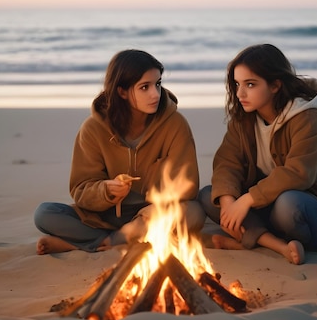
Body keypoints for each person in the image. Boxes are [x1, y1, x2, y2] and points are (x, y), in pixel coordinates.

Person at [198, 44, 317, 265]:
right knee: (210, 195)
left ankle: (251, 240)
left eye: (250, 84)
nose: (240, 93)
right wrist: (228, 204)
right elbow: (227, 162)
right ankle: (277, 245)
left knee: (288, 204)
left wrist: (245, 201)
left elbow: (299, 173)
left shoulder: (307, 116)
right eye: (237, 84)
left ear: (275, 85)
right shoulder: (244, 119)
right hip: (267, 208)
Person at [34, 49, 205, 254]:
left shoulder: (175, 124)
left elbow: (189, 186)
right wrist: (106, 190)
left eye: (157, 84)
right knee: (44, 214)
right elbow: (80, 189)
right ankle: (117, 239)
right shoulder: (93, 129)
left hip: (152, 214)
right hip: (103, 216)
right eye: (144, 87)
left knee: (194, 212)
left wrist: (152, 206)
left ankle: (93, 243)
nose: (155, 94)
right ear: (122, 92)